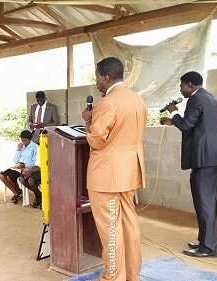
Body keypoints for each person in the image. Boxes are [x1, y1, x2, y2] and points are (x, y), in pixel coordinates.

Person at [81, 57, 146, 281]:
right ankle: (131, 275)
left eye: (97, 77)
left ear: (106, 77)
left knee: (110, 228)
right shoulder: (137, 99)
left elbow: (97, 139)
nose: (97, 82)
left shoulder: (107, 102)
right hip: (129, 172)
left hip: (107, 175)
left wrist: (88, 122)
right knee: (129, 223)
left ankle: (113, 277)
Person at [160, 71, 217, 258]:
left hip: (205, 158)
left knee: (205, 202)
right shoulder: (210, 98)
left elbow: (187, 125)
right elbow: (199, 125)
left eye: (182, 86)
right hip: (212, 156)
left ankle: (209, 248)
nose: (181, 90)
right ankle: (205, 240)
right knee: (206, 201)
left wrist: (173, 111)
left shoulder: (196, 99)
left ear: (190, 85)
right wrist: (172, 121)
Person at [0, 130, 38, 204]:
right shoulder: (21, 146)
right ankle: (17, 192)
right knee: (1, 174)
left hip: (27, 168)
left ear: (30, 139)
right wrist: (18, 150)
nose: (23, 142)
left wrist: (24, 165)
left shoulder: (35, 147)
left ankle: (18, 193)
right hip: (18, 167)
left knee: (11, 177)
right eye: (22, 140)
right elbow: (15, 160)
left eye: (25, 140)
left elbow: (35, 162)